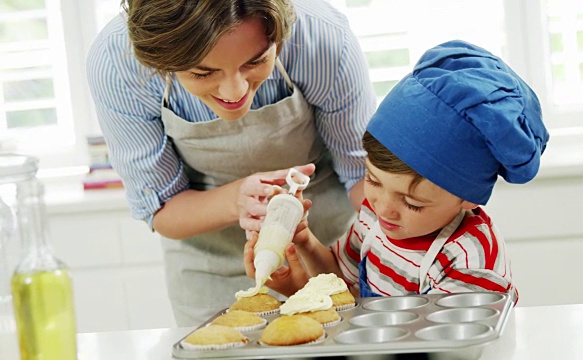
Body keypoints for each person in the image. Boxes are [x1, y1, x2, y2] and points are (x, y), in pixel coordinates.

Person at [86, 0, 376, 325]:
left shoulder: (323, 39)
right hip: (212, 270)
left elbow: (364, 178)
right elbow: (160, 207)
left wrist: (408, 243)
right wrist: (236, 200)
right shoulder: (118, 63)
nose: (234, 91)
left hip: (327, 252)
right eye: (203, 72)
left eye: (255, 62)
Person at [244, 40, 549, 298]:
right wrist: (305, 244)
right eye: (373, 181)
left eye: (412, 203)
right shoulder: (373, 219)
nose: (384, 209)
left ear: (468, 197)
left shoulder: (468, 258)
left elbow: (452, 347)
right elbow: (342, 284)